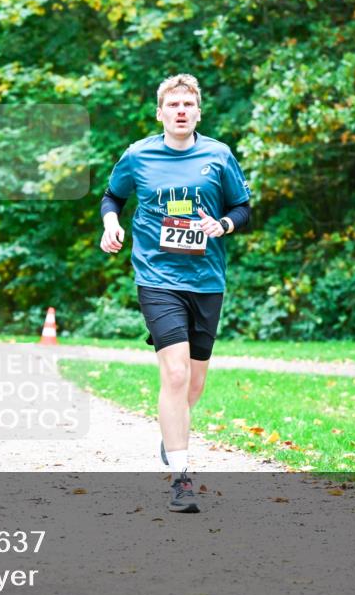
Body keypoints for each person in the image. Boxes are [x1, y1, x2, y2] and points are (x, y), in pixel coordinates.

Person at [99, 74, 251, 513]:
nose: (181, 111)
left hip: (206, 281)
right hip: (157, 277)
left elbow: (242, 208)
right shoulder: (138, 155)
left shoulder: (218, 156)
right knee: (176, 375)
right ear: (160, 112)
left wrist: (222, 224)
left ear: (198, 112)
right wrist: (112, 223)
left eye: (188, 104)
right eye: (173, 104)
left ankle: (172, 435)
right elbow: (112, 197)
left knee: (195, 381)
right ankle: (181, 477)